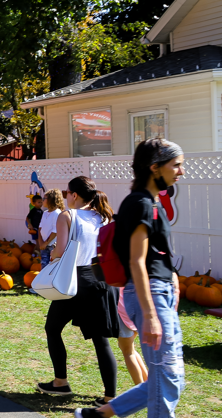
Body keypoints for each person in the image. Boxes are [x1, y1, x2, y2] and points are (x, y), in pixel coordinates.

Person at [78, 139, 186, 418]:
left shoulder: (151, 201)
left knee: (168, 377)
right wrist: (150, 315)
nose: (180, 171)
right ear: (154, 167)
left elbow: (152, 255)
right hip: (150, 296)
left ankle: (100, 415)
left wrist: (171, 273)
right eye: (176, 165)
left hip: (159, 293)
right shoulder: (139, 203)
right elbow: (136, 261)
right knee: (167, 378)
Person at [36, 176, 119, 405]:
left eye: (66, 193)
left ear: (74, 195)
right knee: (101, 341)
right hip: (101, 280)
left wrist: (52, 254)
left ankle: (61, 382)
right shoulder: (103, 215)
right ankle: (110, 396)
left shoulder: (67, 215)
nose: (65, 197)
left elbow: (60, 251)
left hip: (75, 281)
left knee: (52, 328)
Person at [116, 288, 148, 387]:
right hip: (136, 308)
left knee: (128, 352)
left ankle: (141, 390)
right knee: (130, 350)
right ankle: (148, 385)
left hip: (123, 311)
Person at [39, 189, 64, 267]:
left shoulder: (57, 213)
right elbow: (40, 227)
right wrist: (41, 243)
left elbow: (55, 231)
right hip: (44, 245)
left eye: (44, 199)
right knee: (44, 264)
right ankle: (44, 279)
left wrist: (45, 243)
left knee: (53, 266)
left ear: (51, 200)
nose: (42, 200)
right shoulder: (45, 213)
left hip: (52, 246)